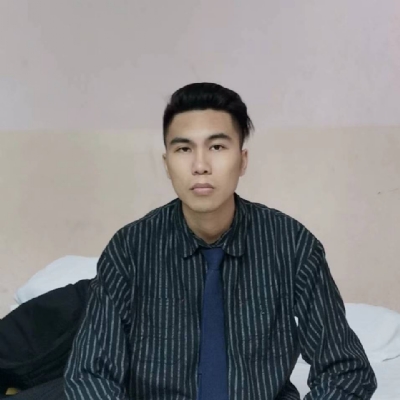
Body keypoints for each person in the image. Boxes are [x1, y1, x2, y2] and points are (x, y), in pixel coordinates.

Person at [64, 82, 377, 399]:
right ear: (167, 164)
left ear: (242, 160)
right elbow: (90, 374)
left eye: (216, 147)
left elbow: (346, 370)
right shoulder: (130, 249)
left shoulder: (292, 244)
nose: (200, 166)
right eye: (184, 149)